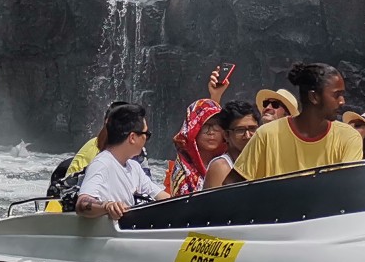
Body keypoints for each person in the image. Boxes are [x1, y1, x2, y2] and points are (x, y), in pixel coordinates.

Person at [232, 63, 362, 180]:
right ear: (314, 97)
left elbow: (348, 188)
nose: (342, 101)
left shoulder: (348, 138)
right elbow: (231, 185)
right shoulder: (265, 135)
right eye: (336, 95)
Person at [76, 102, 169, 219]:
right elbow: (82, 203)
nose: (146, 139)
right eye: (146, 134)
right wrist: (107, 206)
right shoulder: (102, 164)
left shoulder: (134, 167)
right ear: (132, 138)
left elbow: (161, 196)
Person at [163, 67, 235, 196]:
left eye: (216, 126)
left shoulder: (231, 161)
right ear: (192, 131)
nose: (211, 132)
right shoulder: (184, 172)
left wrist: (216, 96)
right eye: (204, 126)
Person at [203, 102, 261, 189]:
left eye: (252, 129)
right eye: (240, 130)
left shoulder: (262, 160)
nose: (248, 136)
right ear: (226, 135)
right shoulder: (221, 167)